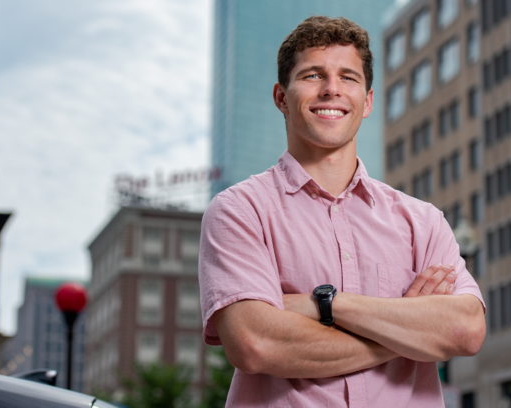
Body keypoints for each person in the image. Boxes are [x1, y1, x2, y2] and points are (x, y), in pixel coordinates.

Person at [199, 16, 486, 407]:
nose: (332, 89)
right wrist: (406, 330)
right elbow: (255, 343)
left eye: (348, 78)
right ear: (281, 97)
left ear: (366, 101)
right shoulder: (238, 211)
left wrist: (325, 304)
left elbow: (465, 330)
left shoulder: (423, 221)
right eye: (313, 76)